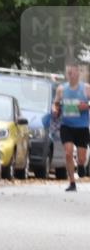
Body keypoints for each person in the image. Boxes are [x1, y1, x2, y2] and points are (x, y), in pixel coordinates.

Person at [53, 63, 90, 192]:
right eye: (68, 73)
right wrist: (55, 110)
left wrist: (86, 106)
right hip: (66, 125)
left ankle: (81, 165)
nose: (70, 75)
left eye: (72, 72)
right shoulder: (61, 89)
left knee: (81, 158)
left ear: (78, 74)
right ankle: (72, 182)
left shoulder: (86, 88)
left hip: (82, 127)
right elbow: (56, 103)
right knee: (68, 153)